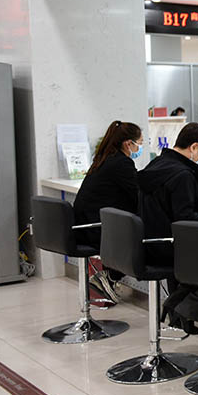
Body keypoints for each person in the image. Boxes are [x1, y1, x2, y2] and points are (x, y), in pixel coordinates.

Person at [137, 122, 198, 334]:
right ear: (194, 147)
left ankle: (181, 309)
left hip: (152, 242)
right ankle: (186, 310)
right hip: (171, 247)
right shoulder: (182, 174)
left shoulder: (157, 164)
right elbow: (185, 220)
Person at [73, 120, 144, 303]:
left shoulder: (104, 158)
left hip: (82, 224)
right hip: (94, 228)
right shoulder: (121, 163)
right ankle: (109, 276)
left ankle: (109, 277)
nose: (140, 148)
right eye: (139, 144)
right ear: (128, 144)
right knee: (144, 234)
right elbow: (137, 194)